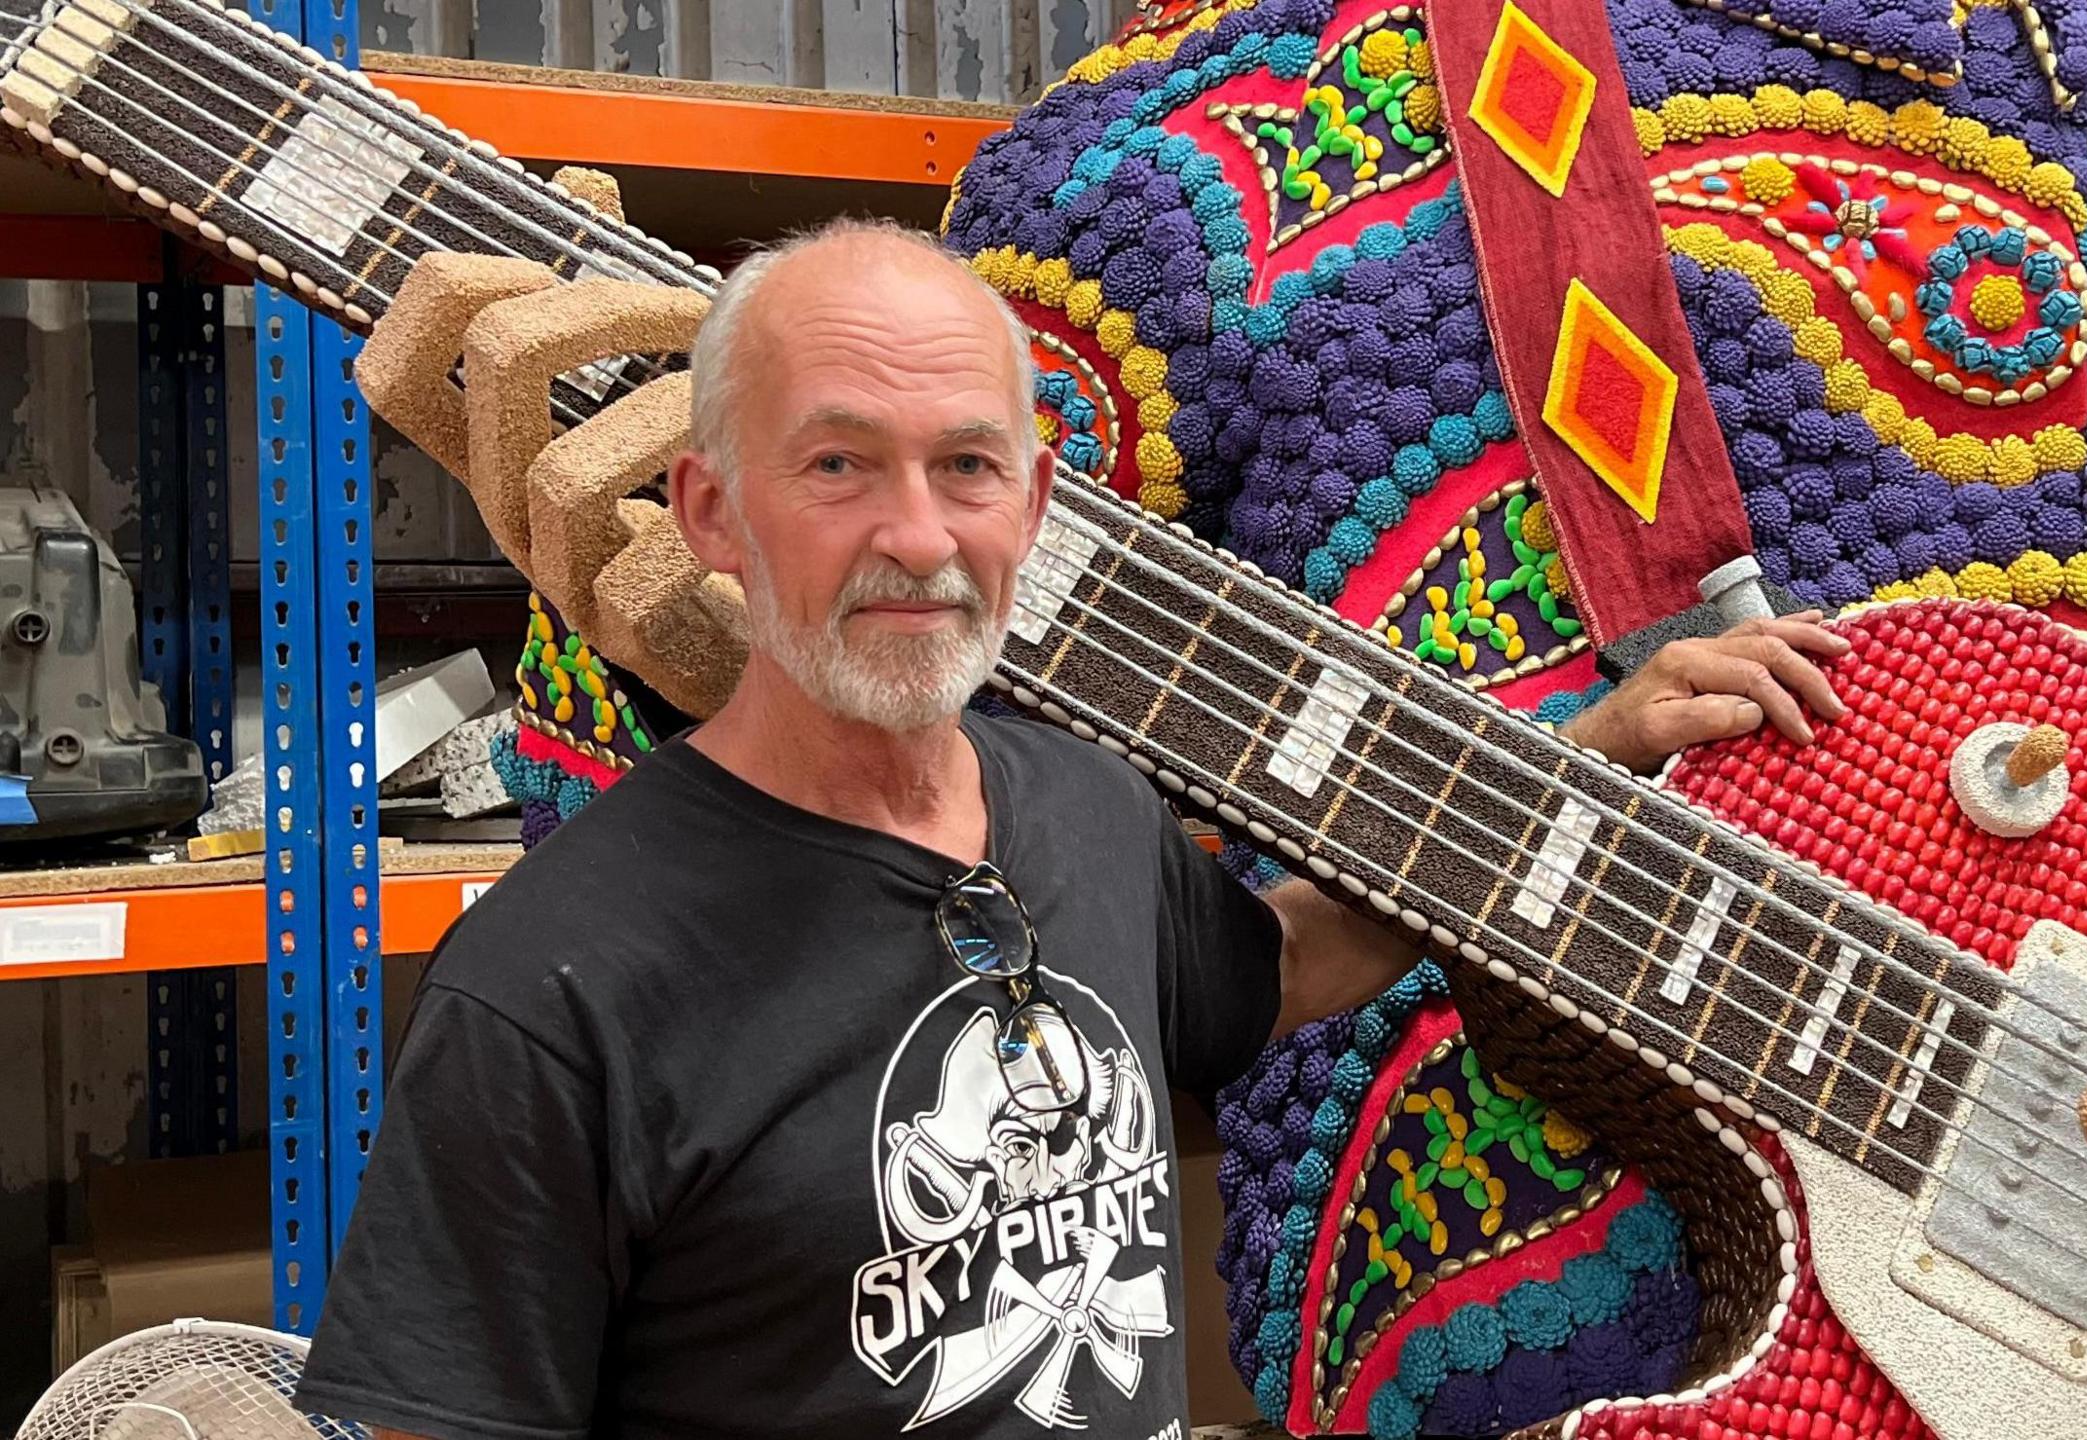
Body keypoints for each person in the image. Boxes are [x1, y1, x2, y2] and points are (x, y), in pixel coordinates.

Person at [292, 218, 1849, 1440]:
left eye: (966, 466)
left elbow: (1279, 964)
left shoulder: (1081, 805)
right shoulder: (549, 985)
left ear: (1032, 509)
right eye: (837, 465)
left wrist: (1584, 752)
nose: (918, 537)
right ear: (710, 510)